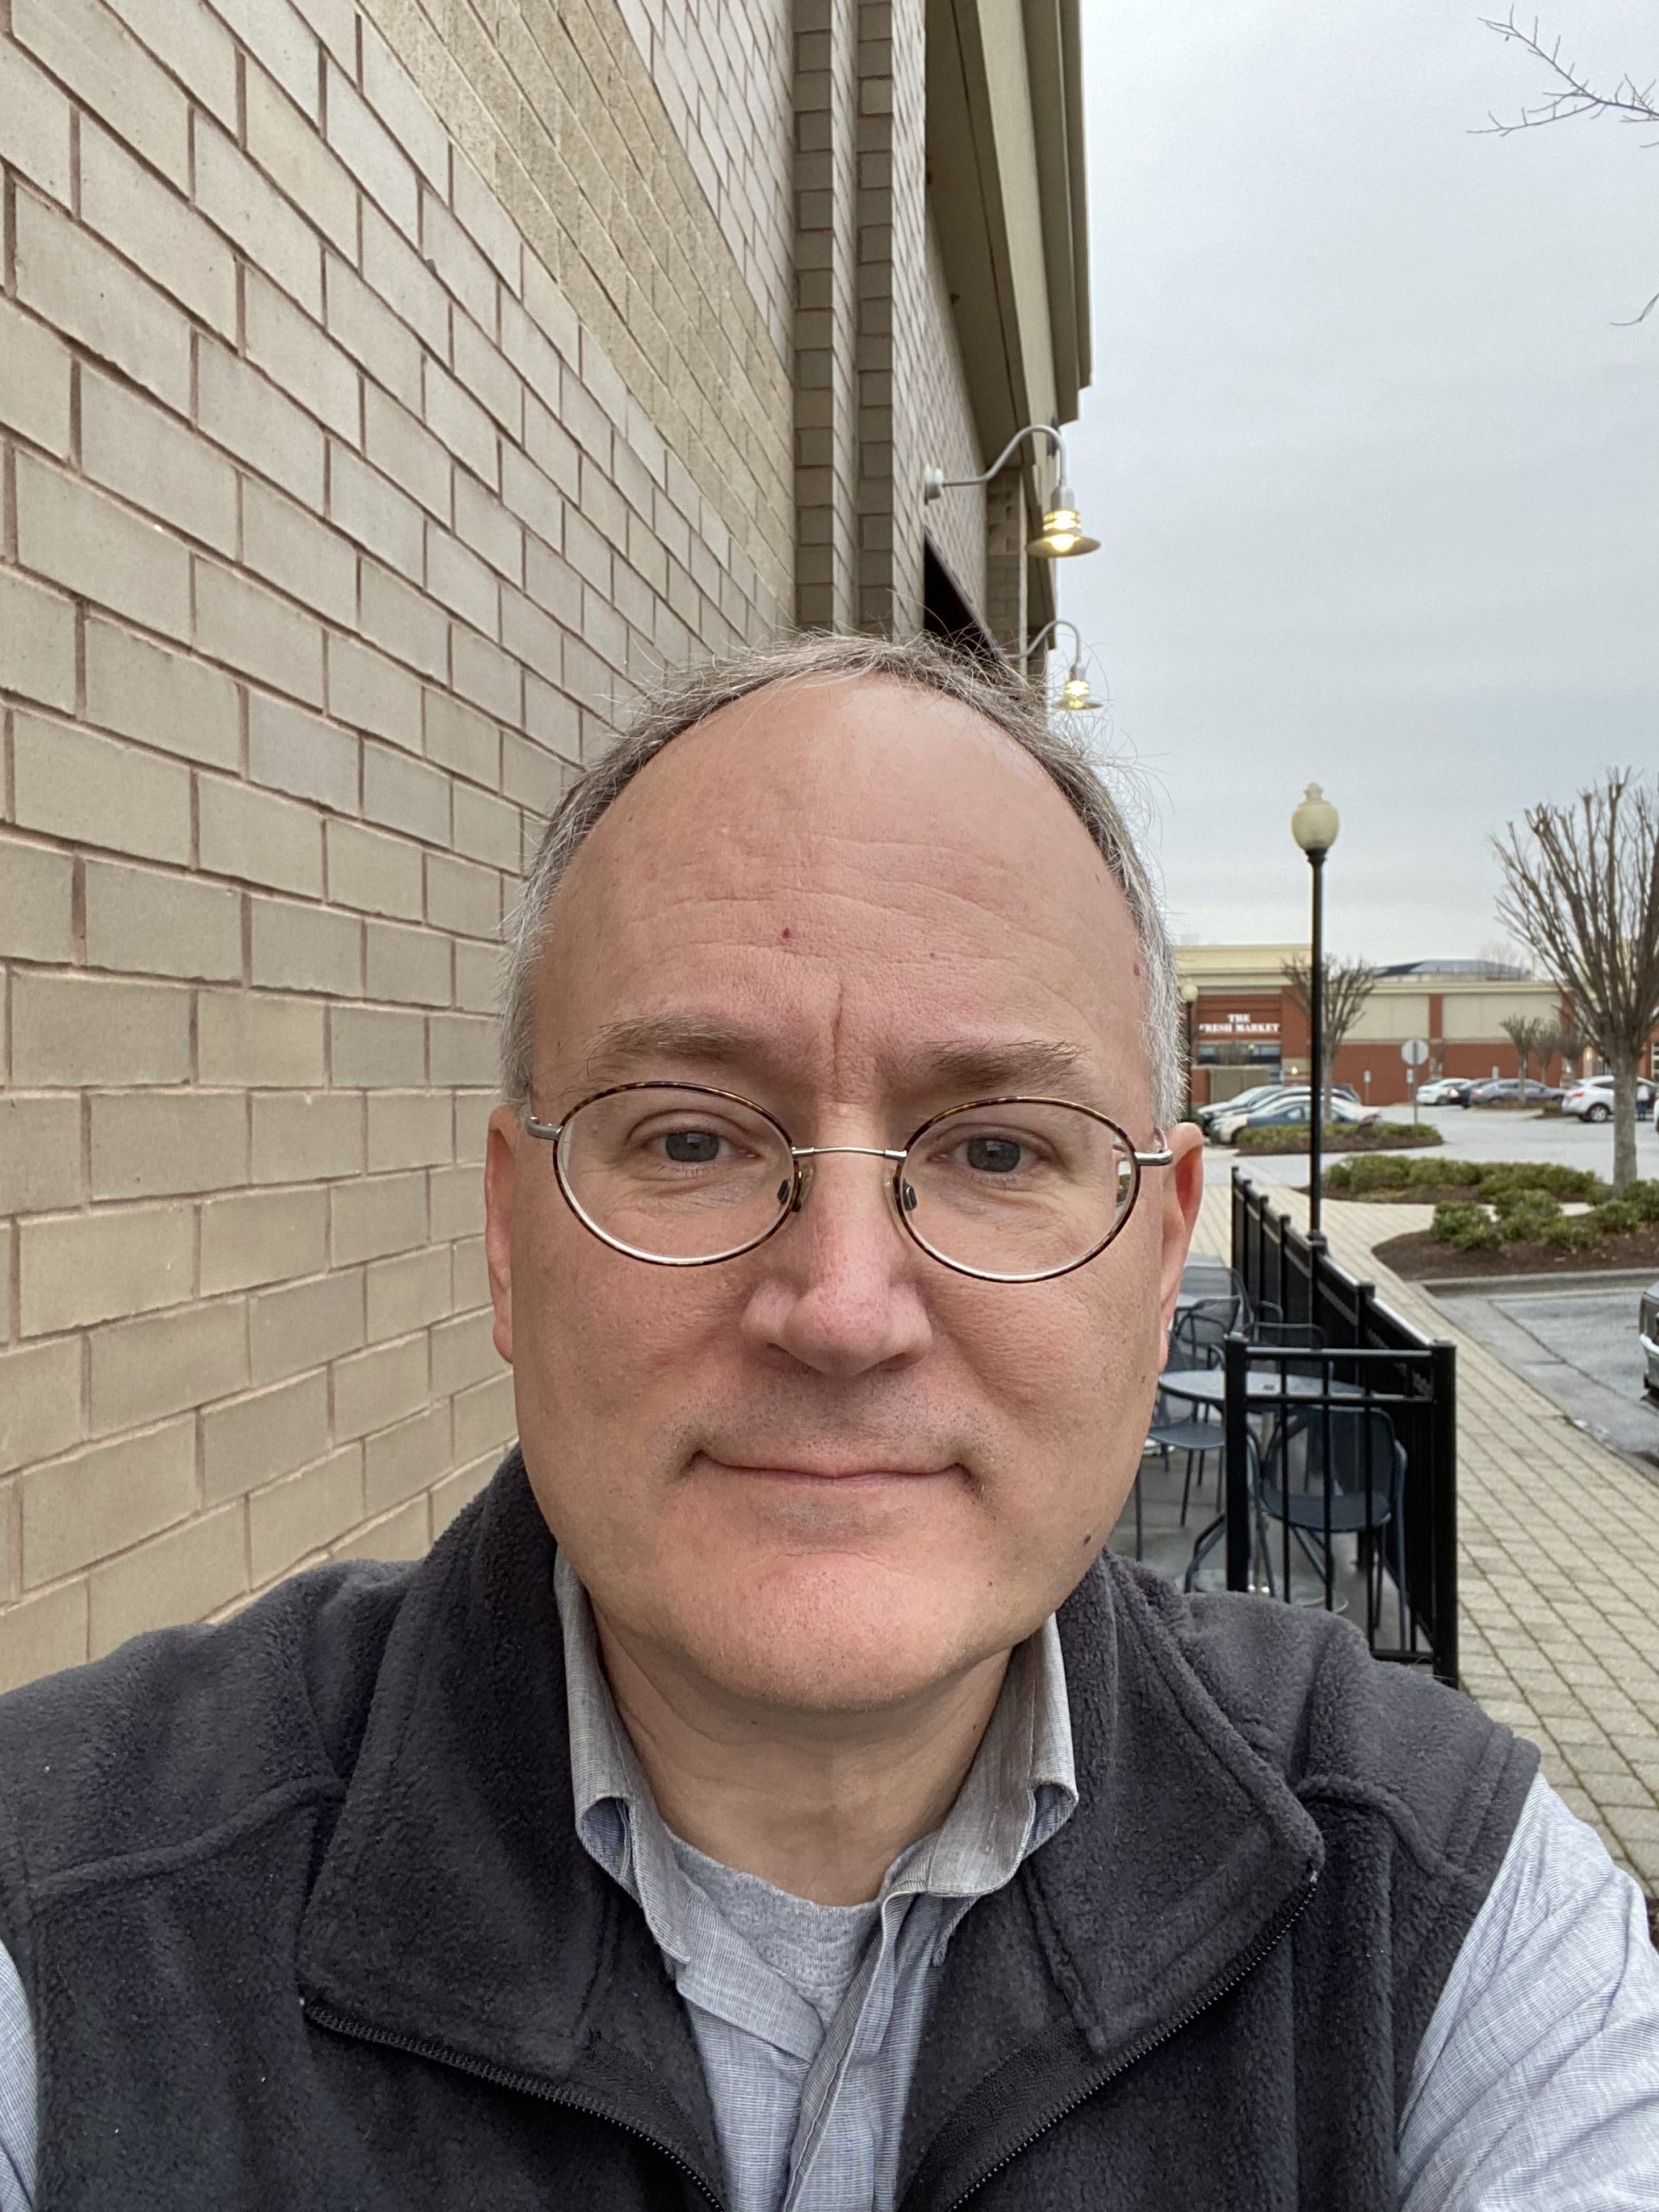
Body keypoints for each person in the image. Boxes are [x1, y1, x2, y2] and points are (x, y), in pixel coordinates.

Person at [0, 633, 1654, 2210]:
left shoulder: (1436, 1915)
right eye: (692, 1141)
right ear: (511, 1240)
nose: (845, 1309)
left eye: (998, 1151)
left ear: (1161, 1262)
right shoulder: (63, 1914)